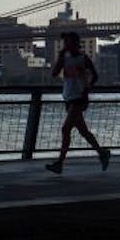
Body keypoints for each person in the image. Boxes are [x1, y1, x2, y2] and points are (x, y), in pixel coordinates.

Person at [44, 31, 111, 174]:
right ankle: (102, 153)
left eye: (68, 42)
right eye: (65, 42)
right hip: (68, 97)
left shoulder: (83, 58)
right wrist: (60, 59)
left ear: (75, 43)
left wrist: (87, 88)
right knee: (83, 131)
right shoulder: (65, 58)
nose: (65, 45)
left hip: (79, 98)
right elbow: (55, 74)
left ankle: (60, 163)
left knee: (66, 128)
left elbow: (95, 76)